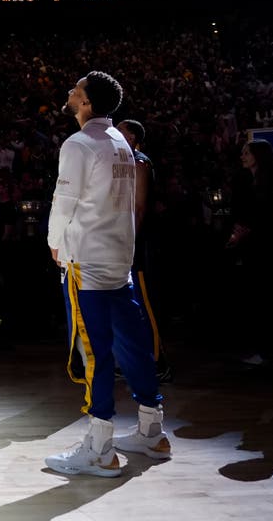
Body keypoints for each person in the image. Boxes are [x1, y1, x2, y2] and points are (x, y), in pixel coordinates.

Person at [44, 71, 169, 478]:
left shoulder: (79, 143)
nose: (70, 90)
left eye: (76, 89)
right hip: (119, 257)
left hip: (88, 262)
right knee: (133, 345)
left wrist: (53, 242)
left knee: (94, 353)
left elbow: (64, 200)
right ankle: (152, 430)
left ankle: (100, 448)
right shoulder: (120, 141)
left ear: (85, 103)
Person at [226, 138, 273, 367]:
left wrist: (248, 230)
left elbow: (272, 219)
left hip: (270, 250)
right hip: (254, 248)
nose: (242, 156)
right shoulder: (246, 182)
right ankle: (267, 349)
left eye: (247, 152)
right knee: (260, 300)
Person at [116, 118, 172, 382]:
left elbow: (138, 209)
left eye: (120, 133)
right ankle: (135, 359)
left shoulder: (139, 163)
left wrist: (129, 242)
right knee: (132, 304)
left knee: (146, 304)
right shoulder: (125, 163)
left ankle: (158, 363)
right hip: (128, 242)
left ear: (132, 139)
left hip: (139, 244)